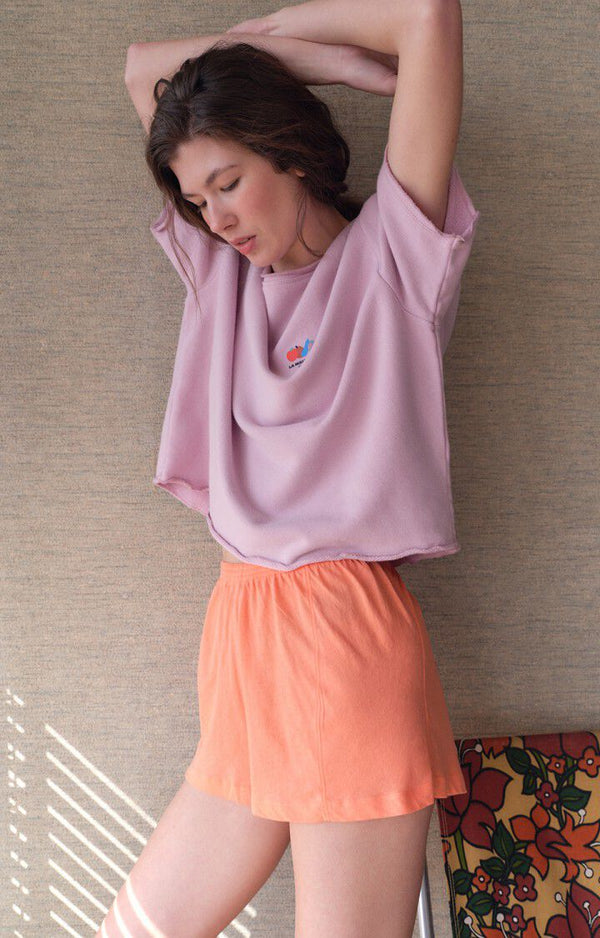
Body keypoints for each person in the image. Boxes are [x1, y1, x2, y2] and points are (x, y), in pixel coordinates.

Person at [99, 1, 480, 935]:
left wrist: (302, 70)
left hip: (346, 647)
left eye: (229, 182)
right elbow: (143, 68)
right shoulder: (223, 276)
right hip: (245, 644)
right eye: (197, 200)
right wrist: (316, 60)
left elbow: (427, 16)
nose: (216, 217)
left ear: (290, 152)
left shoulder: (394, 256)